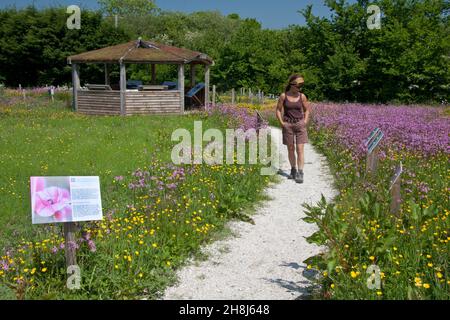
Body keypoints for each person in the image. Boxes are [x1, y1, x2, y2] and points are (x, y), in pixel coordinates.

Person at [275, 74, 311, 183]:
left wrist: (305, 122)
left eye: (302, 85)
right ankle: (293, 170)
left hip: (300, 124)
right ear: (292, 84)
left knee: (300, 149)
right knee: (290, 149)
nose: (301, 87)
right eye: (299, 85)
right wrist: (282, 123)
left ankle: (300, 172)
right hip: (288, 125)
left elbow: (307, 110)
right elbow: (278, 110)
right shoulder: (283, 96)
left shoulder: (302, 96)